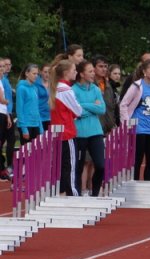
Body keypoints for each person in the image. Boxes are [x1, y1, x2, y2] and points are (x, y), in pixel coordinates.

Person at [119, 59, 150, 181]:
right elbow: (123, 104)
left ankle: (148, 185)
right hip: (138, 128)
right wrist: (127, 123)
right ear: (144, 71)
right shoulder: (136, 86)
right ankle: (134, 183)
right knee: (137, 159)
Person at [73, 60, 106, 196]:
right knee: (79, 167)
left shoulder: (96, 89)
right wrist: (92, 106)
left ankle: (95, 193)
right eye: (90, 71)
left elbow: (102, 109)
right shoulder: (73, 90)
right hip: (80, 133)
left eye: (93, 71)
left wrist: (84, 105)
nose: (93, 74)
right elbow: (76, 111)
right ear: (81, 74)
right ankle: (78, 193)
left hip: (96, 132)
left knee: (100, 165)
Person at [49, 59, 82, 196]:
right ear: (65, 72)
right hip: (67, 132)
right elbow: (79, 111)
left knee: (59, 165)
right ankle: (72, 193)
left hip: (56, 132)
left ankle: (60, 192)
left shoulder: (55, 88)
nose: (76, 72)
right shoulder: (67, 90)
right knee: (71, 165)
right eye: (74, 70)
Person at [16, 64, 43, 145]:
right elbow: (19, 110)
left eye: (37, 74)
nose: (36, 76)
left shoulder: (35, 88)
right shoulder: (21, 88)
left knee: (36, 152)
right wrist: (24, 129)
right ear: (27, 73)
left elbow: (36, 109)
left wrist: (41, 128)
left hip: (36, 125)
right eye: (34, 73)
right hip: (26, 125)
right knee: (26, 153)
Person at [92, 55, 116, 136]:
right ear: (93, 68)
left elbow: (112, 107)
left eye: (105, 66)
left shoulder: (109, 85)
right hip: (94, 128)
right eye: (100, 66)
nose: (104, 69)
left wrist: (112, 124)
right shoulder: (89, 85)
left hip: (109, 128)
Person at [0, 57, 16, 179]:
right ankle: (7, 166)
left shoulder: (5, 79)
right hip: (5, 113)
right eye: (4, 65)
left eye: (8, 65)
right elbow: (3, 99)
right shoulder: (3, 80)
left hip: (6, 112)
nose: (7, 67)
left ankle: (5, 166)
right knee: (7, 140)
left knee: (8, 140)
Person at [35, 63, 51, 132]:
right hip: (40, 116)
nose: (47, 74)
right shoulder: (36, 83)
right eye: (45, 72)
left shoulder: (53, 84)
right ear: (41, 72)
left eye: (49, 72)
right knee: (41, 140)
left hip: (51, 116)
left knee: (52, 139)